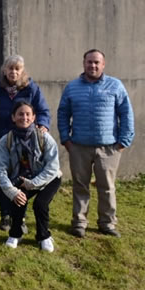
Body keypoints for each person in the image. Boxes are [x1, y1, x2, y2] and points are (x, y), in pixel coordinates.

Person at [57, 49, 134, 238]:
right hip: (79, 146)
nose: (93, 65)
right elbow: (63, 113)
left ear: (103, 64)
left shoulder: (115, 86)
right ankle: (79, 222)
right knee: (80, 185)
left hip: (109, 148)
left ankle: (107, 223)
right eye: (89, 62)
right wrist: (66, 139)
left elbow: (126, 113)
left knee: (106, 186)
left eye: (96, 62)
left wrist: (124, 141)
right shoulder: (72, 87)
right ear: (83, 64)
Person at [0, 55, 51, 231]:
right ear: (4, 70)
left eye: (17, 69)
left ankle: (20, 215)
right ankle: (5, 215)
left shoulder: (31, 89)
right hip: (3, 140)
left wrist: (43, 125)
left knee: (21, 177)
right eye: (10, 68)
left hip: (25, 142)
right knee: (3, 176)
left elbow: (43, 110)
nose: (13, 72)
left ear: (22, 71)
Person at [0, 101, 62, 252]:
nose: (24, 117)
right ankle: (15, 234)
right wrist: (12, 191)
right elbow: (0, 170)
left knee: (40, 204)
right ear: (13, 117)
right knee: (18, 199)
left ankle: (44, 236)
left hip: (49, 178)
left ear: (33, 118)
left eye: (28, 114)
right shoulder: (6, 140)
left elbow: (52, 167)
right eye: (20, 114)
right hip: (22, 178)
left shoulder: (45, 138)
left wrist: (33, 183)